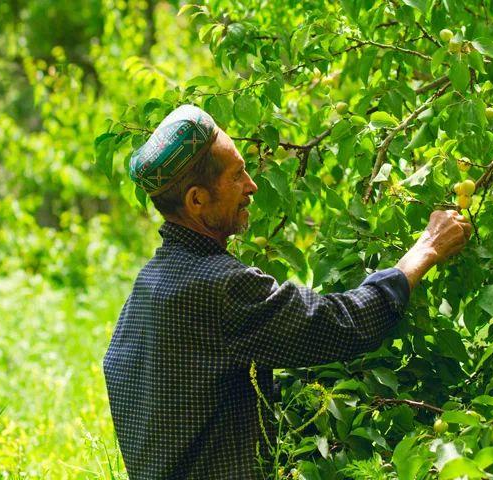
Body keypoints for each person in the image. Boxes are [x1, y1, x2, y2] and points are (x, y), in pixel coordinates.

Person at [103, 104, 472, 479]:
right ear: (197, 200)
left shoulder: (151, 282)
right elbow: (340, 324)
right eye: (236, 176)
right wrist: (425, 249)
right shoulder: (219, 286)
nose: (252, 185)